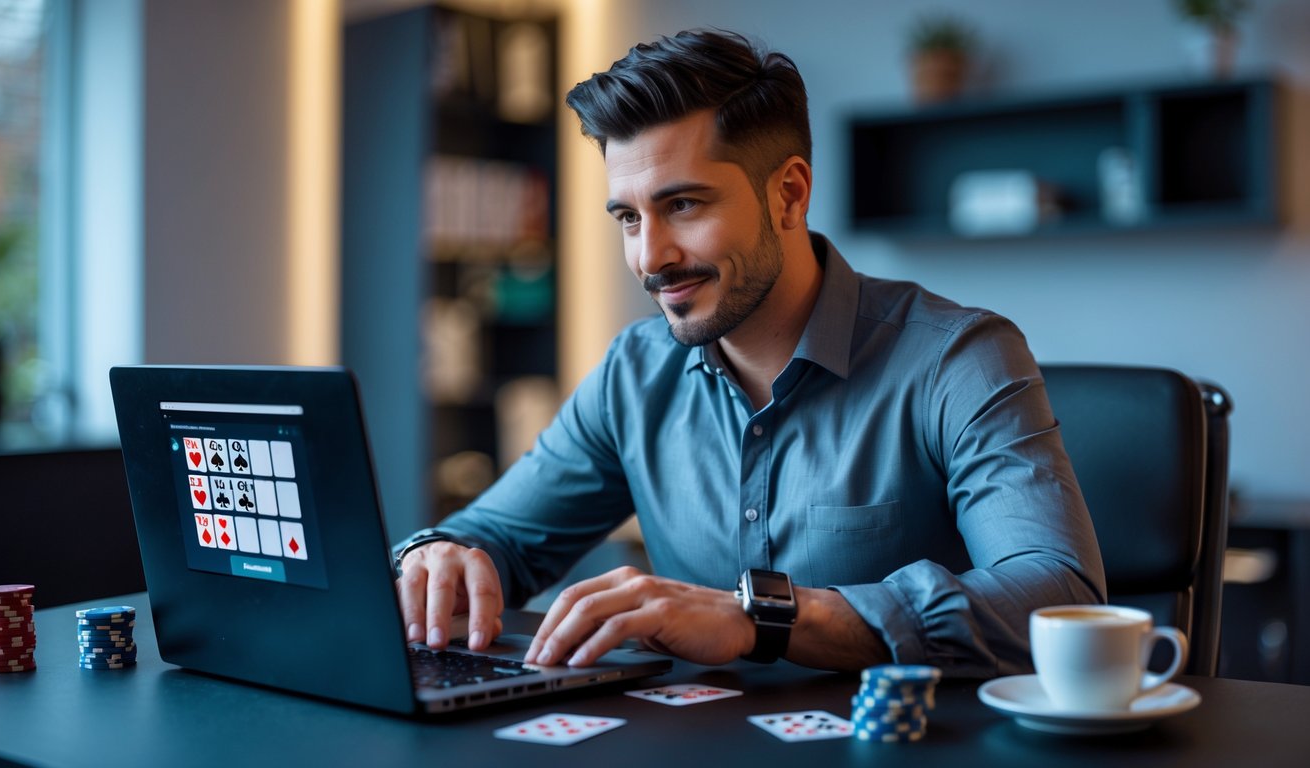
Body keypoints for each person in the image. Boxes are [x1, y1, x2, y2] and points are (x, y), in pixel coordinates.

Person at [394, 28, 1105, 677]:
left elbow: (1055, 596)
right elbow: (498, 538)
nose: (650, 257)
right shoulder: (632, 374)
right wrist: (441, 556)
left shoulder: (960, 358)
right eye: (628, 217)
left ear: (789, 195)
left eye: (684, 206)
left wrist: (763, 616)